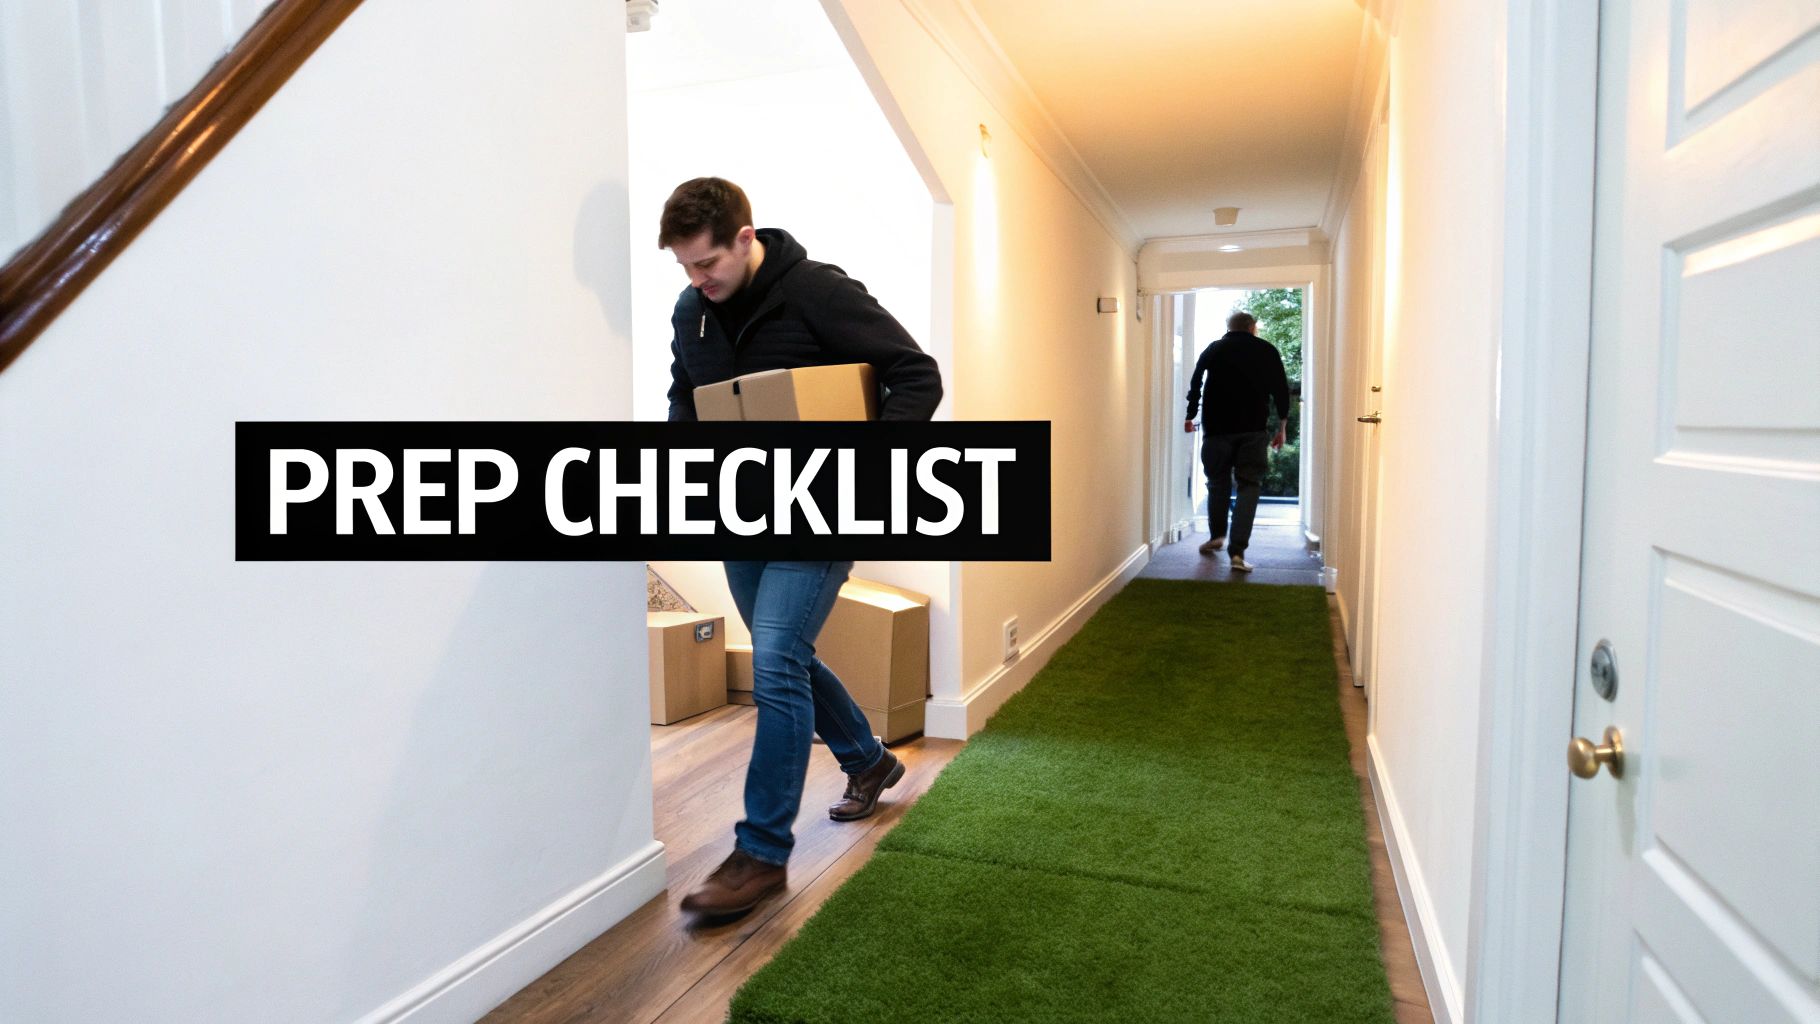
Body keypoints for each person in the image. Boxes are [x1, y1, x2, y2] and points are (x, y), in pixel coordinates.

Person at [658, 177, 942, 917]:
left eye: (708, 263)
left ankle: (759, 854)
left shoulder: (814, 291)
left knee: (775, 661)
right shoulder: (691, 312)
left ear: (745, 238)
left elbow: (916, 375)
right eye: (686, 267)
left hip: (821, 509)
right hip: (739, 511)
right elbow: (684, 400)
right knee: (788, 653)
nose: (698, 280)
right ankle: (868, 759)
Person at [1183, 310, 1291, 573]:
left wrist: (1190, 415)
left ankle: (1217, 536)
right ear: (1253, 327)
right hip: (1253, 430)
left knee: (1217, 483)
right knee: (1249, 485)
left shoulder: (1214, 349)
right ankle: (1237, 553)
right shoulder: (1266, 350)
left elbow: (1196, 382)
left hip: (1216, 430)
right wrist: (1282, 426)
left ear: (1228, 327)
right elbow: (1280, 388)